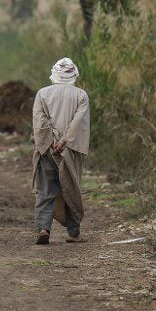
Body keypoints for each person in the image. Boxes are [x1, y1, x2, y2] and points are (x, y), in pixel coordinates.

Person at [31, 57, 90, 245]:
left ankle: (43, 228)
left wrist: (52, 141)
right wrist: (64, 141)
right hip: (70, 149)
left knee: (46, 189)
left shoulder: (43, 93)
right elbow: (77, 122)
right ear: (74, 76)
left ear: (54, 75)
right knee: (71, 188)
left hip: (46, 148)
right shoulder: (81, 95)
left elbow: (39, 121)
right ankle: (73, 233)